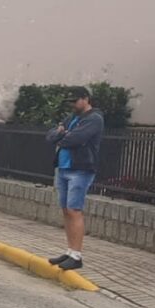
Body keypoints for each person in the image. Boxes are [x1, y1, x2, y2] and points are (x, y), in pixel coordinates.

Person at [46, 87, 104, 271]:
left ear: (85, 99)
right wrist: (61, 134)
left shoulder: (94, 119)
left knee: (74, 209)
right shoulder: (71, 118)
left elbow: (76, 139)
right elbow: (50, 136)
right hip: (63, 168)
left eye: (75, 101)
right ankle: (70, 251)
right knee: (66, 210)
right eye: (70, 102)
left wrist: (62, 135)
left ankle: (77, 255)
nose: (72, 105)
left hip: (80, 169)